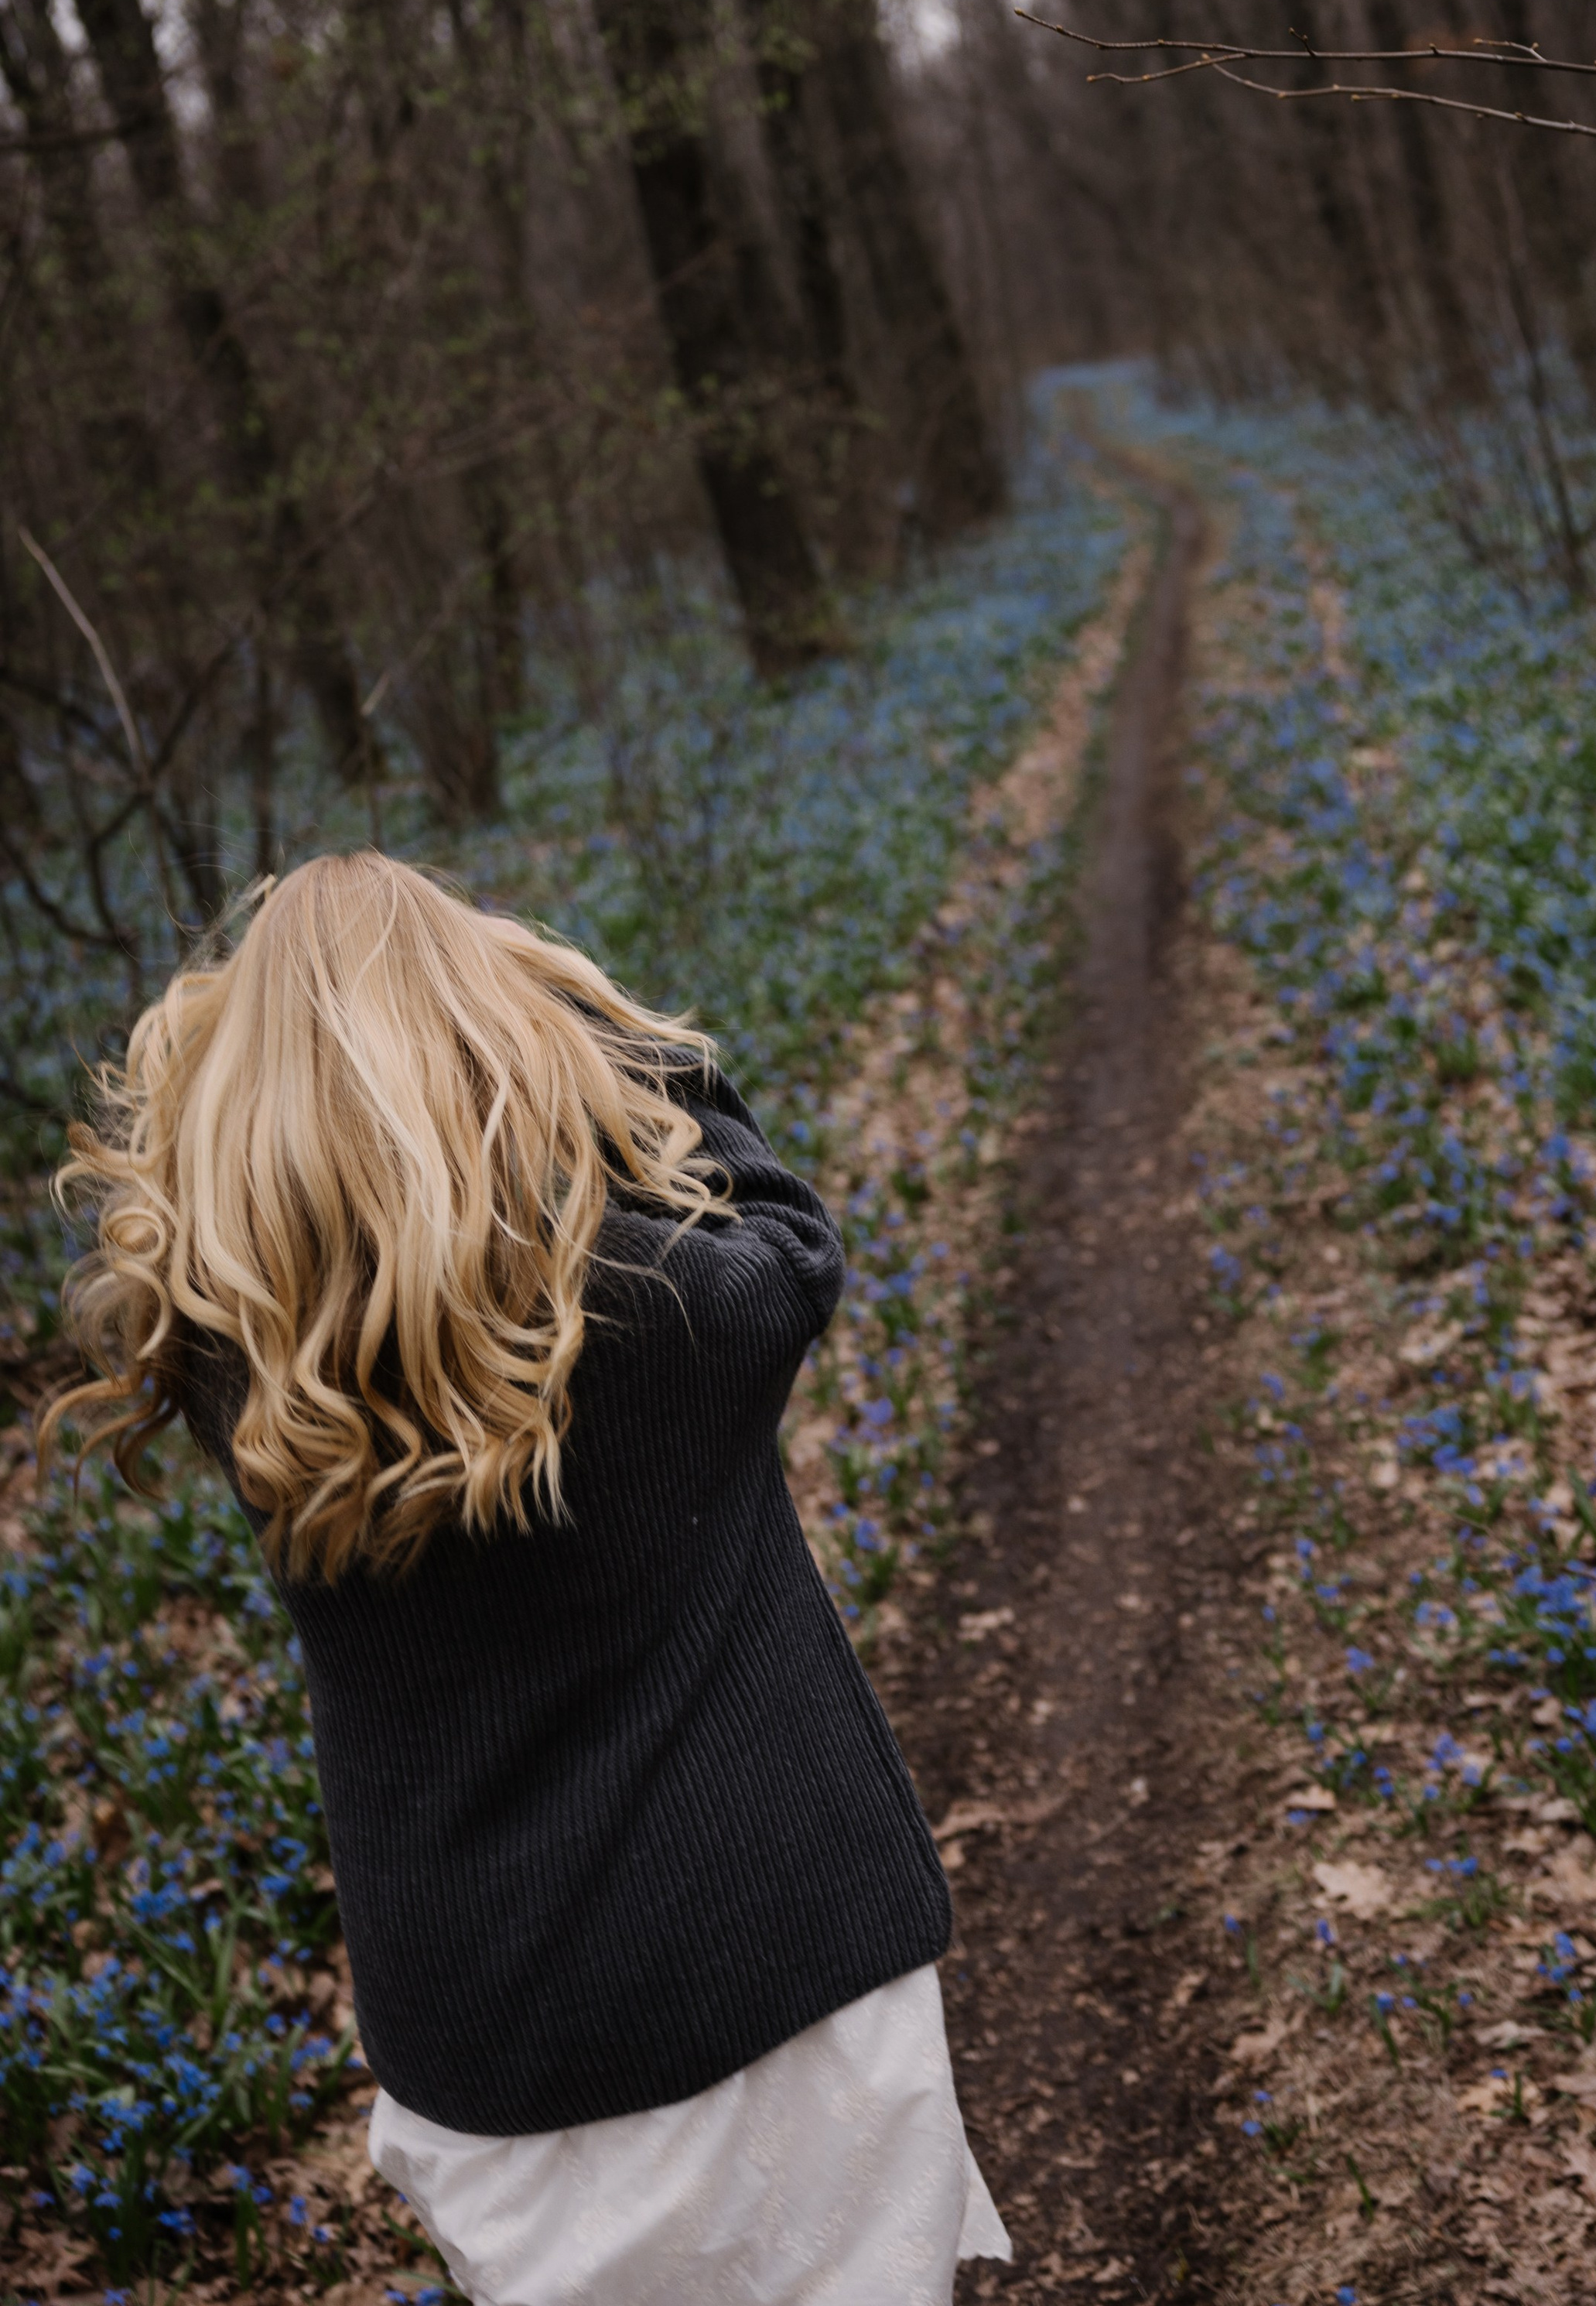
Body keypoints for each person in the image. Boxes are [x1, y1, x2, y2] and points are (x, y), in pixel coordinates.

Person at [45, 852, 1010, 2304]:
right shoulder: (671, 1312)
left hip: (488, 2058)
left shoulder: (243, 1376)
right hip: (782, 1990)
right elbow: (793, 1239)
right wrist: (604, 1034)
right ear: (511, 1040)